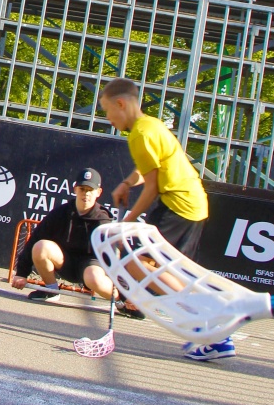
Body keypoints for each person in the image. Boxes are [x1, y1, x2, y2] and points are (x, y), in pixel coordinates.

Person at [83, 76, 233, 363]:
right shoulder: (149, 125)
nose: (108, 118)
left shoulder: (140, 134)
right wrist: (127, 183)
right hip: (189, 203)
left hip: (178, 204)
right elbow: (149, 170)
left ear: (121, 104)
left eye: (107, 111)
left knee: (136, 264)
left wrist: (126, 223)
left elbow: (151, 188)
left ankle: (209, 321)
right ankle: (210, 329)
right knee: (160, 269)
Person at [9, 168, 113, 306]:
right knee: (41, 247)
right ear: (75, 189)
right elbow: (35, 238)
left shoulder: (103, 221)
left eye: (90, 190)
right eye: (82, 189)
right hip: (65, 262)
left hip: (90, 266)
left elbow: (114, 256)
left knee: (94, 278)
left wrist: (123, 291)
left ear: (98, 192)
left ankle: (124, 302)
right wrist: (21, 273)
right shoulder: (61, 212)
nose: (86, 193)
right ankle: (51, 290)